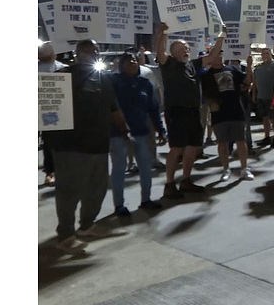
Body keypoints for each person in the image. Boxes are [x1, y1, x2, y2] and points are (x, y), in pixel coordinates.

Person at [43, 40, 129, 255]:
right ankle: (65, 235)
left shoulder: (103, 79)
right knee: (68, 192)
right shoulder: (59, 77)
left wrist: (125, 130)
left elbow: (114, 111)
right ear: (77, 53)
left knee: (97, 189)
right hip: (68, 146)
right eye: (90, 50)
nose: (94, 53)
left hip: (98, 145)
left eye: (96, 50)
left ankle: (87, 225)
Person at [156, 22, 224, 199]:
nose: (185, 50)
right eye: (181, 48)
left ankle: (186, 181)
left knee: (193, 146)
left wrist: (222, 36)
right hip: (176, 111)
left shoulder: (193, 64)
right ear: (173, 52)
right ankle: (170, 184)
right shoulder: (168, 63)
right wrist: (163, 33)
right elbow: (160, 53)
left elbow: (213, 55)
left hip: (193, 110)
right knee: (176, 148)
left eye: (186, 48)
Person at [109, 52, 167, 216]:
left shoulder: (145, 84)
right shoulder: (114, 82)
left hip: (141, 132)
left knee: (145, 168)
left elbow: (153, 109)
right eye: (128, 61)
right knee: (119, 169)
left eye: (134, 60)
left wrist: (160, 130)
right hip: (118, 133)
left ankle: (146, 200)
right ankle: (119, 205)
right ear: (121, 65)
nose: (133, 62)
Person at [201, 53, 255, 181]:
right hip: (219, 113)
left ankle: (244, 169)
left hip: (236, 110)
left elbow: (248, 81)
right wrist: (210, 104)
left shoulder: (233, 70)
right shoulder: (206, 75)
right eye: (216, 56)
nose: (219, 58)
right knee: (222, 143)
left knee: (241, 141)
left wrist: (249, 66)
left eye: (221, 56)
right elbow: (204, 94)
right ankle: (226, 169)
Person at [39, 41, 67, 186]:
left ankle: (52, 171)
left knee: (51, 143)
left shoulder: (63, 69)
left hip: (56, 111)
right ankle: (50, 171)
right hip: (39, 110)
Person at [252, 45, 274, 148]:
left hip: (272, 96)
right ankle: (267, 137)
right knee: (264, 118)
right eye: (263, 54)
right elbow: (255, 83)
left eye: (267, 53)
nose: (264, 55)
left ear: (270, 54)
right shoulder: (258, 68)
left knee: (273, 118)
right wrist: (254, 95)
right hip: (261, 96)